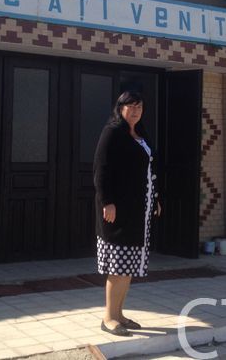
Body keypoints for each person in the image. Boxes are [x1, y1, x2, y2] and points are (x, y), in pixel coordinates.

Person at [93, 90, 161, 337]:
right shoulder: (112, 132)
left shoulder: (140, 134)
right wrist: (107, 201)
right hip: (118, 209)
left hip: (139, 210)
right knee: (118, 265)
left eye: (139, 107)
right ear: (120, 108)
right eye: (130, 106)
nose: (135, 111)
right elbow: (101, 169)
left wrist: (156, 198)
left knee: (129, 265)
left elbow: (149, 170)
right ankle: (109, 318)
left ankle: (119, 314)